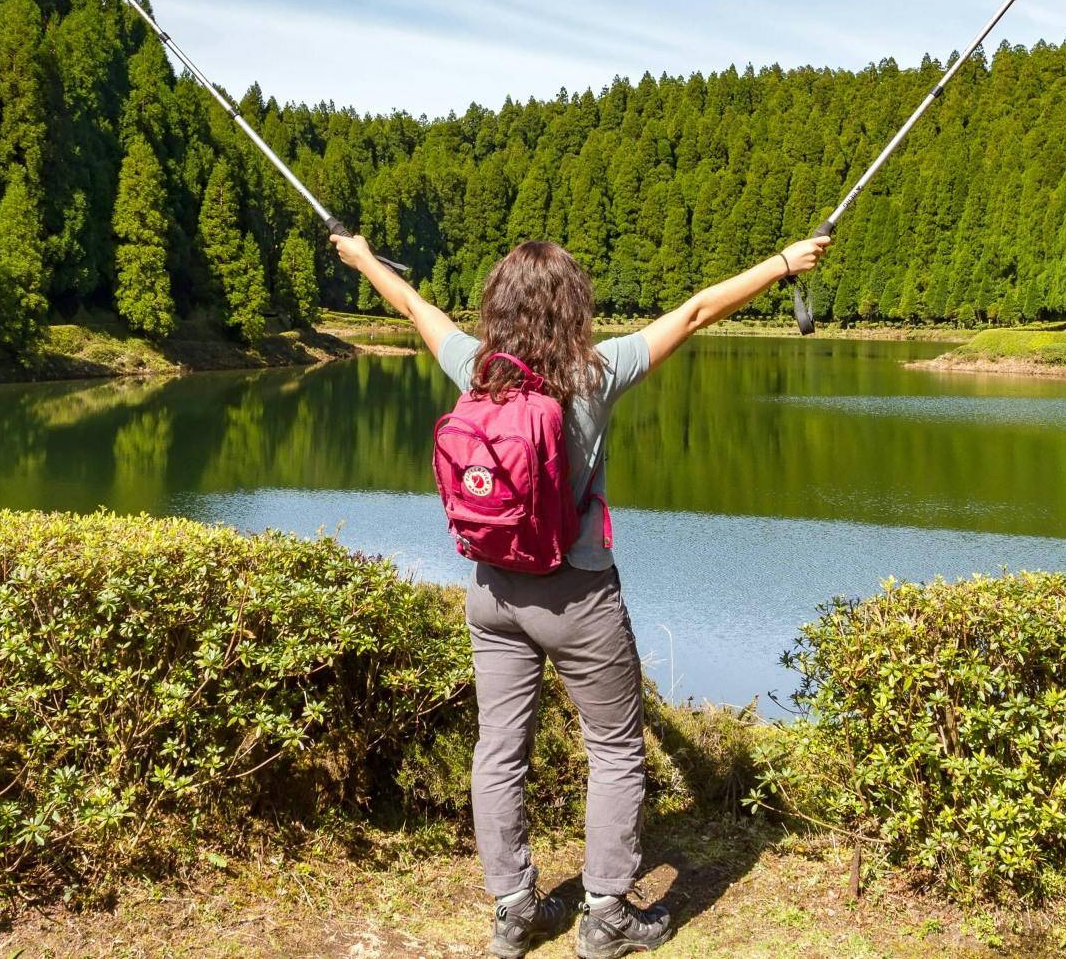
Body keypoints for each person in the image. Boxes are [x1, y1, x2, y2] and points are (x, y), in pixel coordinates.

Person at [330, 231, 830, 959]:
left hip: (493, 593)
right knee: (617, 748)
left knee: (498, 750)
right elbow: (694, 314)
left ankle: (511, 911)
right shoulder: (595, 373)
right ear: (573, 307)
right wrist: (783, 264)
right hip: (577, 597)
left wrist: (363, 257)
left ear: (498, 305)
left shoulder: (475, 368)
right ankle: (604, 916)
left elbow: (412, 304)